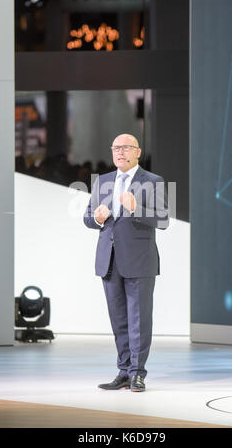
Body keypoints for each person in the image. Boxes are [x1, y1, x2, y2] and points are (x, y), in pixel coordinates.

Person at [83, 133, 169, 392]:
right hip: (109, 261)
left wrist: (136, 208)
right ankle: (123, 370)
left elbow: (163, 220)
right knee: (118, 319)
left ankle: (137, 373)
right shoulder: (103, 181)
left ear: (138, 152)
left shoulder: (152, 181)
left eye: (126, 148)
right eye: (116, 148)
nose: (120, 152)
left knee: (138, 319)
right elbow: (88, 219)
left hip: (139, 261)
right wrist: (96, 218)